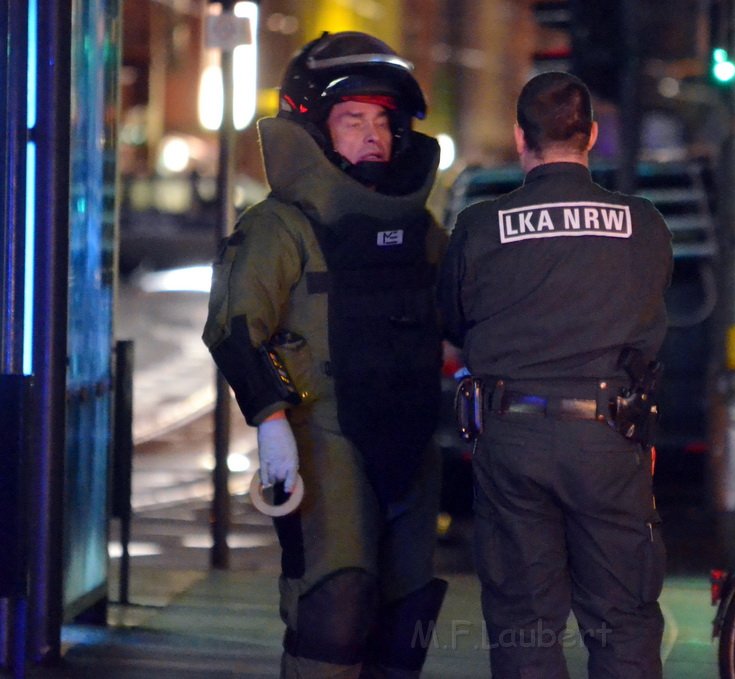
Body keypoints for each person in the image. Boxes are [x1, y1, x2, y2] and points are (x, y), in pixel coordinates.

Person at [203, 31, 448, 679]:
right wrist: (271, 421)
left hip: (412, 439)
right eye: (352, 120)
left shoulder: (421, 230)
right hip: (325, 437)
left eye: (382, 121)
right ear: (313, 129)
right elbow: (232, 328)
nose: (373, 134)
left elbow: (464, 309)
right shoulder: (278, 226)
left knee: (408, 615)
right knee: (335, 606)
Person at [438, 71, 673, 678]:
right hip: (607, 439)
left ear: (521, 139)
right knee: (622, 620)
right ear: (591, 135)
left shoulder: (480, 227)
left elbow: (454, 321)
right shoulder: (642, 224)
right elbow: (649, 333)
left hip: (510, 438)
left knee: (523, 623)